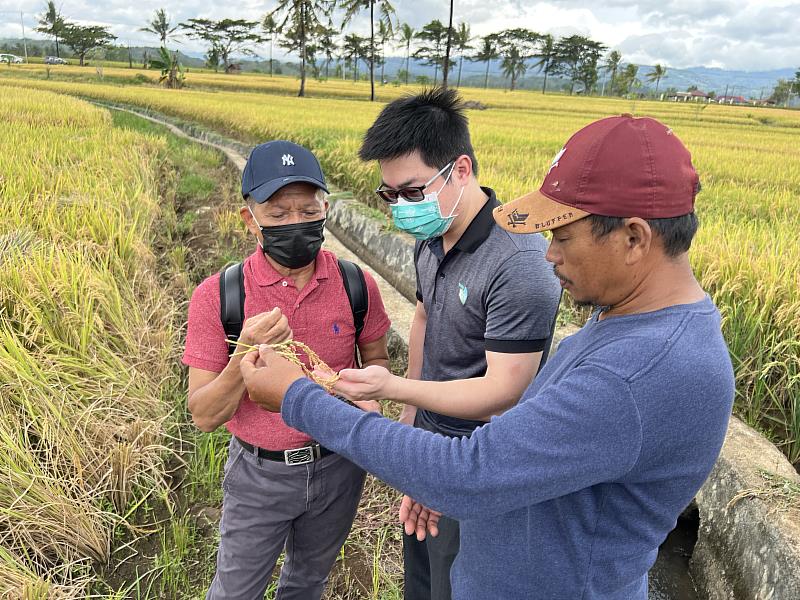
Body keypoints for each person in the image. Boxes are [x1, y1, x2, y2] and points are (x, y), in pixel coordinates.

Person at [238, 114, 736, 599]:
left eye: (562, 237)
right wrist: (437, 472)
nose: (549, 254)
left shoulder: (637, 372)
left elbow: (469, 469)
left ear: (633, 238)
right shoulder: (620, 319)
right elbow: (509, 453)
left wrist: (297, 397)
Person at [342, 88, 561, 599]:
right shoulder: (431, 237)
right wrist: (414, 422)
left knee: (460, 584)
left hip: (483, 455)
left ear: (461, 169)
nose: (401, 207)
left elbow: (503, 391)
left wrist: (395, 388)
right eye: (388, 194)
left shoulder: (519, 262)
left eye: (412, 191)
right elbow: (421, 317)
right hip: (434, 439)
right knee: (421, 576)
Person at [182, 139, 391, 600]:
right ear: (250, 220)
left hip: (338, 467)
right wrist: (245, 354)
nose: (296, 223)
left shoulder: (357, 284)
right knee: (236, 591)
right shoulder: (219, 296)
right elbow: (203, 414)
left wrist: (359, 396)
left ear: (325, 209)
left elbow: (376, 360)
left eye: (308, 209)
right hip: (260, 475)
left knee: (307, 583)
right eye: (277, 214)